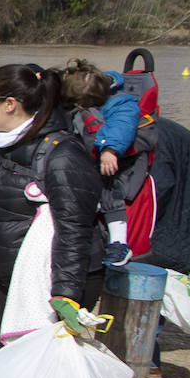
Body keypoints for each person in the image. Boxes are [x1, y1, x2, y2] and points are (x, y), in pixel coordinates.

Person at [0, 64, 104, 378]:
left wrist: (66, 293)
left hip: (56, 276)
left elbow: (75, 232)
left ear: (10, 104)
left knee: (36, 369)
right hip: (11, 271)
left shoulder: (63, 154)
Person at [57, 58, 143, 266]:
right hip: (84, 156)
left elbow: (121, 127)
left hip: (112, 161)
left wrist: (110, 150)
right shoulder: (83, 97)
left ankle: (119, 243)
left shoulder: (121, 103)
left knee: (110, 193)